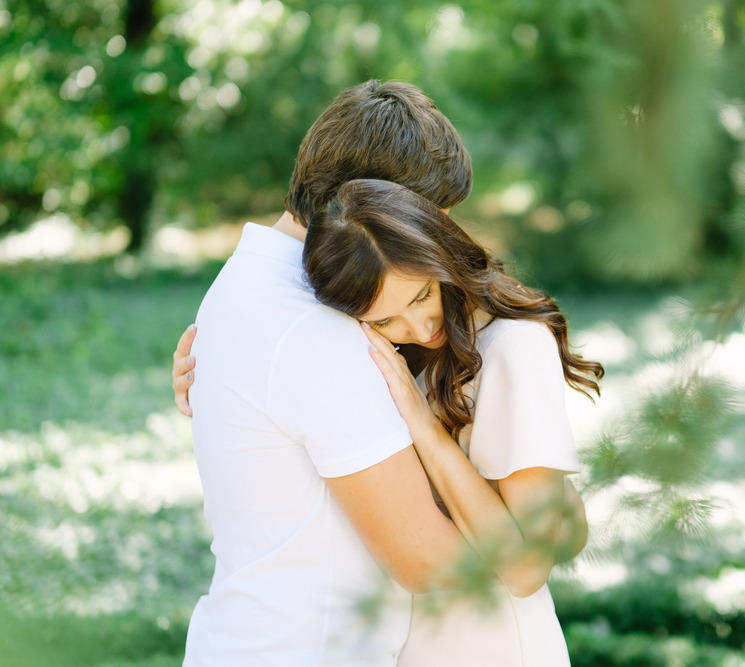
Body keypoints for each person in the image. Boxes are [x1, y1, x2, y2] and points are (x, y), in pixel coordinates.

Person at [175, 79, 591, 666]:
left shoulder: (250, 290)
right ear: (371, 207)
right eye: (432, 217)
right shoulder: (316, 325)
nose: (440, 238)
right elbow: (432, 561)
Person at [301, 178, 604, 666]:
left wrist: (426, 429)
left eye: (422, 295)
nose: (419, 328)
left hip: (495, 643)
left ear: (439, 257)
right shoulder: (399, 354)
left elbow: (527, 569)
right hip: (414, 637)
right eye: (384, 320)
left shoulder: (511, 346)